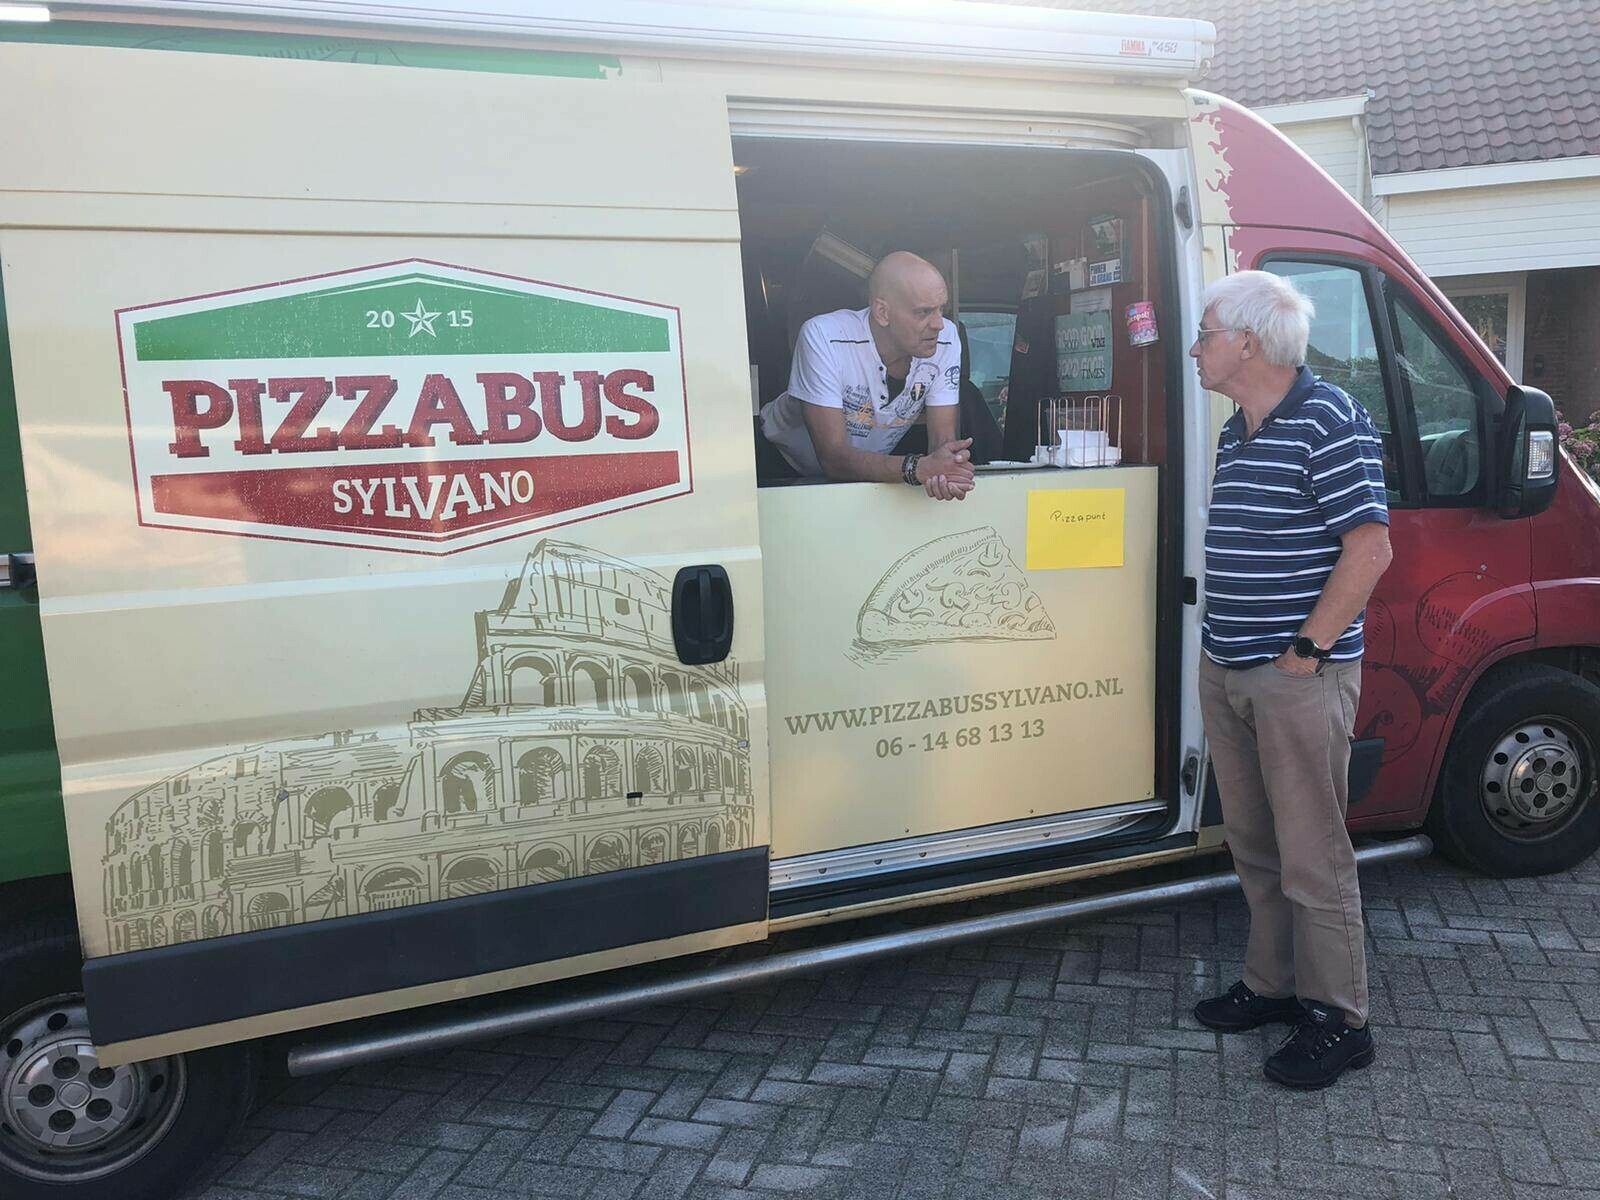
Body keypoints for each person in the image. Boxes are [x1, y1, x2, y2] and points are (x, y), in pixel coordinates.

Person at [1188, 270, 1393, 1090]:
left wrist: (1306, 651)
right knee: (1255, 843)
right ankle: (1272, 985)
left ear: (1247, 341)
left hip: (1295, 675)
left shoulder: (1329, 418)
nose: (1195, 348)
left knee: (1313, 853)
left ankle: (1341, 1020)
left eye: (1205, 333)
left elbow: (1369, 549)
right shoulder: (1237, 429)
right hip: (1230, 668)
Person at [757, 251, 975, 500]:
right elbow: (833, 458)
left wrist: (948, 468)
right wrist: (917, 468)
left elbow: (942, 442)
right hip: (781, 466)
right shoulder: (825, 336)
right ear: (882, 312)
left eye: (941, 309)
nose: (938, 324)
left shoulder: (947, 337)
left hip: (869, 472)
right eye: (923, 312)